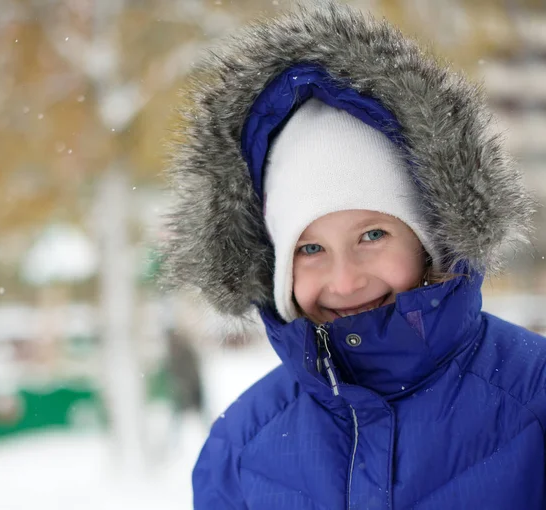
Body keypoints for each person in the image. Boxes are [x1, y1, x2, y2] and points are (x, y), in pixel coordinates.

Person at [161, 2, 546, 508]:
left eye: (372, 235)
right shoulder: (240, 446)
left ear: (430, 235)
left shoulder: (533, 398)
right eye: (311, 248)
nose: (344, 282)